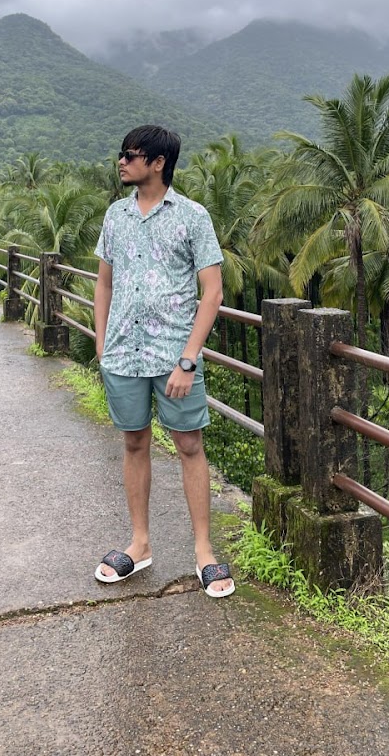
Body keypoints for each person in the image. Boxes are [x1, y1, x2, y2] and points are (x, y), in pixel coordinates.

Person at [93, 125, 235, 598]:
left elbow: (212, 292)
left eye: (131, 155)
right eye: (122, 154)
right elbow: (104, 283)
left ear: (157, 163)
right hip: (123, 354)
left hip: (174, 355)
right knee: (134, 442)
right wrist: (102, 344)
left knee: (189, 444)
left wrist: (188, 360)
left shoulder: (192, 216)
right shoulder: (115, 215)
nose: (121, 161)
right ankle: (139, 544)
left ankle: (204, 551)